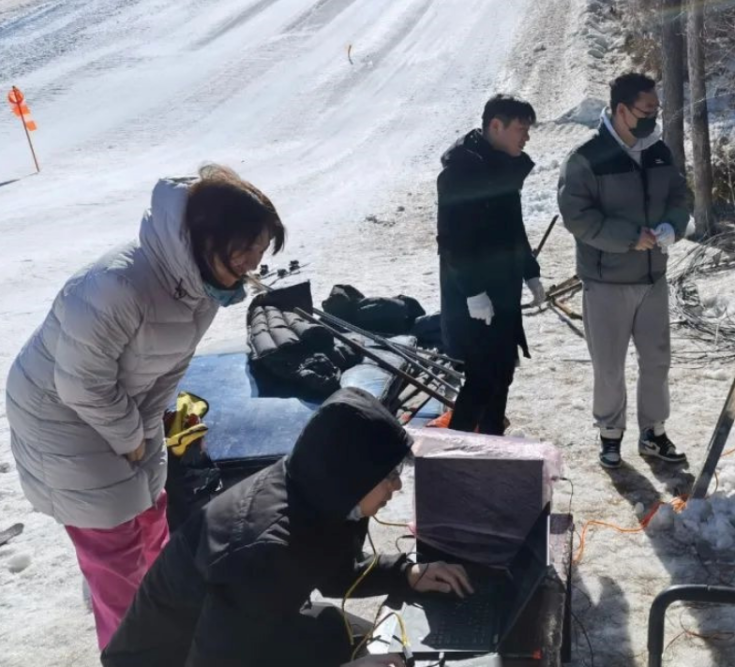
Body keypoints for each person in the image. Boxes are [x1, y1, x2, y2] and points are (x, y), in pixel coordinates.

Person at [5, 165, 285, 650]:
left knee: (153, 514)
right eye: (245, 249)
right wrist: (133, 440)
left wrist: (151, 435)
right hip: (59, 418)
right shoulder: (117, 285)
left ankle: (166, 619)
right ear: (204, 236)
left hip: (125, 409)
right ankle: (134, 651)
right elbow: (81, 385)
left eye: (260, 250)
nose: (252, 263)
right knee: (114, 550)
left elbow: (166, 370)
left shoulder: (202, 285)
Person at [102, 388, 473, 667]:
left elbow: (336, 575)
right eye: (389, 475)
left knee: (365, 640)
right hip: (173, 659)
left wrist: (408, 573)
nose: (397, 486)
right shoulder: (263, 549)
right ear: (354, 474)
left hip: (251, 629)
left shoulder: (322, 492)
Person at [557, 73, 691, 469]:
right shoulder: (586, 158)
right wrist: (630, 237)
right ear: (620, 110)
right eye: (646, 111)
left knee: (657, 360)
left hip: (652, 279)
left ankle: (653, 433)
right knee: (609, 365)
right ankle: (610, 435)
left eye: (656, 110)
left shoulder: (659, 152)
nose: (653, 118)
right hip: (606, 282)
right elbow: (578, 217)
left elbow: (681, 196)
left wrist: (672, 225)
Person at [437, 95, 544, 435]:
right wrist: (473, 293)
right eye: (520, 130)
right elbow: (453, 242)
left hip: (504, 289)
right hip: (474, 297)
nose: (525, 138)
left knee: (503, 371)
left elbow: (515, 228)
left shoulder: (503, 168)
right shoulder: (459, 174)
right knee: (481, 377)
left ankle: (492, 444)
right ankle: (458, 453)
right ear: (495, 126)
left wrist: (531, 273)